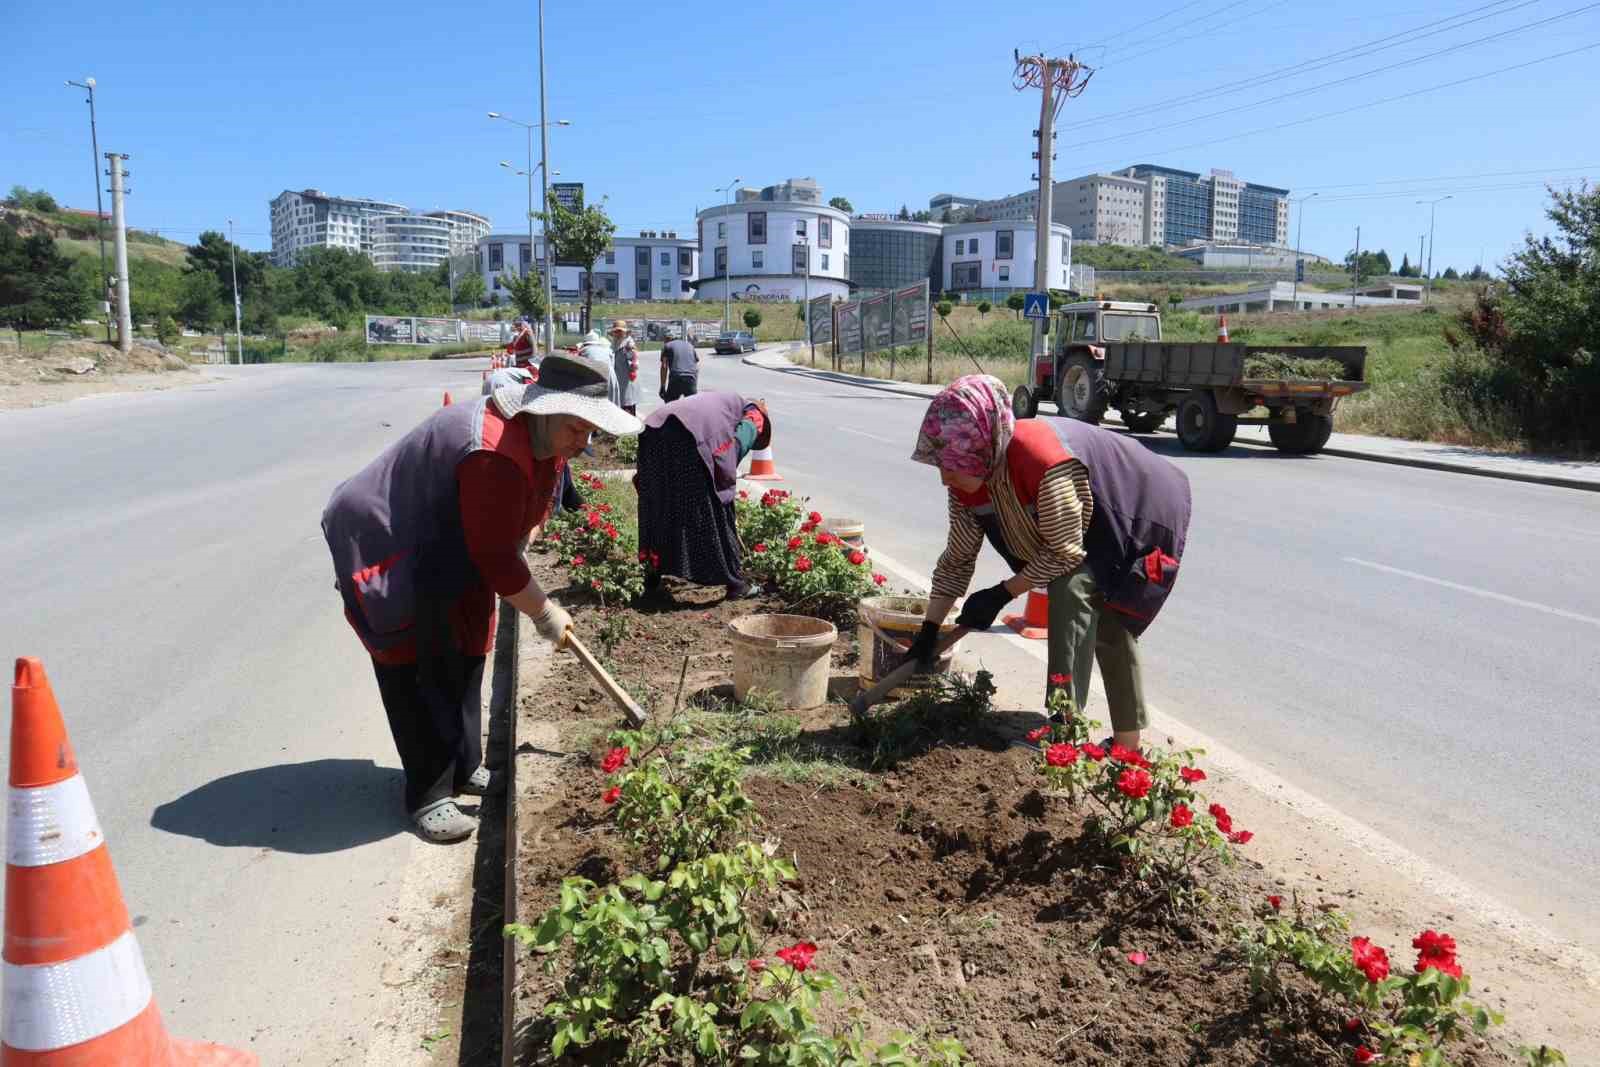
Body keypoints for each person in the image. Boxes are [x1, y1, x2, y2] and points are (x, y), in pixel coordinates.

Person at [322, 354, 642, 842]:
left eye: (591, 432)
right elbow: (495, 559)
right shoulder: (492, 450)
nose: (585, 443)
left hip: (453, 537)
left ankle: (463, 763)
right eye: (578, 430)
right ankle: (428, 793)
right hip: (395, 538)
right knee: (417, 659)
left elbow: (530, 509)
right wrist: (545, 611)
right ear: (545, 412)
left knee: (469, 640)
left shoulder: (545, 442)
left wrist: (527, 529)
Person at [903, 375, 1190, 753]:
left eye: (953, 467)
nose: (944, 478)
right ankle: (1126, 746)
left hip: (1135, 510)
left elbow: (1064, 552)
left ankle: (1066, 728)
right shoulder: (964, 484)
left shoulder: (1042, 460)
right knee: (1099, 616)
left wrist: (1001, 594)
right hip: (1076, 525)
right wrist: (930, 628)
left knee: (1087, 602)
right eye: (941, 466)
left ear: (982, 450)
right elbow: (958, 557)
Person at [634, 392, 771, 599]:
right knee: (713, 507)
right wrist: (726, 474)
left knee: (660, 503)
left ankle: (652, 575)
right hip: (687, 437)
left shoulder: (721, 401)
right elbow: (738, 444)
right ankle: (735, 584)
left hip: (652, 431)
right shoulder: (754, 413)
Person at [608, 320, 641, 415]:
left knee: (628, 411)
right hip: (617, 382)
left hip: (627, 383)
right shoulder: (614, 343)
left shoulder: (628, 343)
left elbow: (634, 361)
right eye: (616, 331)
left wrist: (631, 352)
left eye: (620, 331)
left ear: (624, 333)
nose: (617, 334)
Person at [659, 333, 700, 401]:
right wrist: (694, 384)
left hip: (676, 377)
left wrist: (662, 386)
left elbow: (664, 366)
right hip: (691, 378)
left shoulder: (667, 346)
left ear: (666, 340)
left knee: (671, 405)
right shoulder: (689, 345)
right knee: (692, 406)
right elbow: (696, 366)